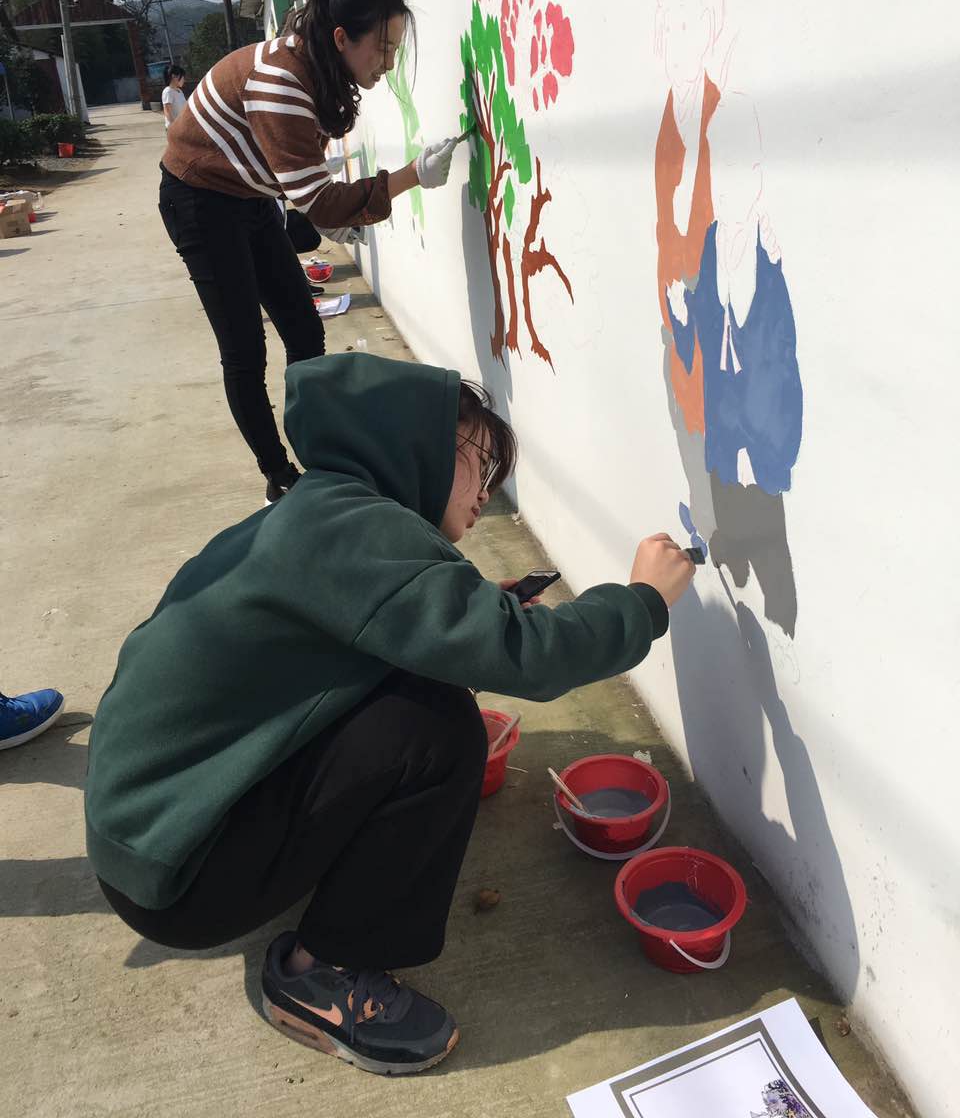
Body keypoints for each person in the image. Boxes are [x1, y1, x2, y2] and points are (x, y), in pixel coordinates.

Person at [84, 352, 696, 1076]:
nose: (488, 493)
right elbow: (529, 656)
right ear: (415, 446)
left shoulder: (320, 510)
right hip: (182, 878)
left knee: (419, 687)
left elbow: (366, 630)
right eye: (480, 465)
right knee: (436, 732)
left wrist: (468, 614)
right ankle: (322, 976)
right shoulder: (358, 534)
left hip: (153, 836)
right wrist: (641, 602)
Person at [158, 0, 458, 505]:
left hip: (249, 193)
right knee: (244, 349)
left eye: (395, 50)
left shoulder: (316, 64)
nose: (388, 64)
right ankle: (279, 476)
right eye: (383, 48)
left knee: (301, 325)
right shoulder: (281, 83)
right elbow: (319, 204)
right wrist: (412, 174)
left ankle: (319, 451)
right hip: (199, 198)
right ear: (341, 37)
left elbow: (311, 187)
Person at [160, 64, 187, 130]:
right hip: (174, 129)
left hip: (181, 126)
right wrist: (174, 126)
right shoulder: (168, 91)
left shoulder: (179, 91)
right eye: (182, 78)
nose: (184, 80)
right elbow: (167, 111)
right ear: (174, 76)